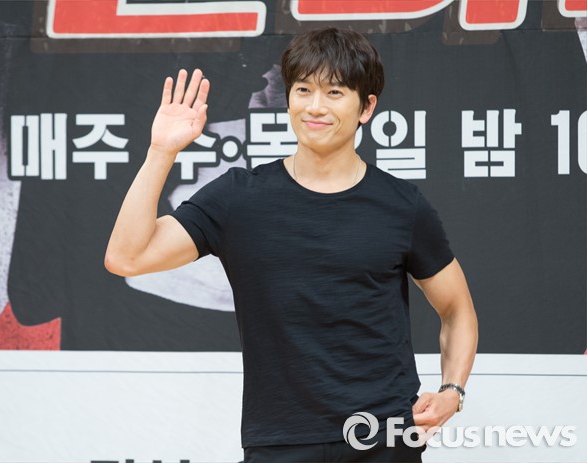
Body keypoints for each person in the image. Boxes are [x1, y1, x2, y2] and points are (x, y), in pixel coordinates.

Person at [105, 27, 478, 463]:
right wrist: (161, 151)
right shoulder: (239, 197)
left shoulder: (401, 205)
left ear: (366, 107)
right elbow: (127, 256)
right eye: (303, 90)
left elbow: (457, 308)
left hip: (384, 437)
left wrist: (453, 391)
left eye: (334, 92)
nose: (315, 107)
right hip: (279, 440)